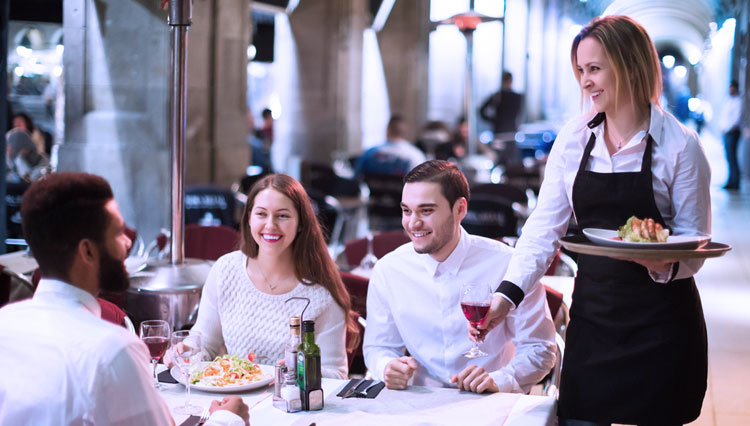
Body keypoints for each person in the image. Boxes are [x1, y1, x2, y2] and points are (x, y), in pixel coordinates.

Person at [473, 16, 711, 426]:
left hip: (662, 323)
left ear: (631, 65)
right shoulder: (574, 138)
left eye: (595, 68)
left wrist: (662, 262)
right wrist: (506, 296)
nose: (585, 81)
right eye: (581, 71)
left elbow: (696, 244)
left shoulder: (680, 146)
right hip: (594, 317)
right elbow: (543, 228)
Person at [0, 172, 249, 426]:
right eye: (118, 232)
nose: (128, 242)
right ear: (87, 251)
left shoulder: (4, 324)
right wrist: (227, 419)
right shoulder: (113, 350)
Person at [363, 160, 556, 393]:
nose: (413, 223)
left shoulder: (510, 265)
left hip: (491, 404)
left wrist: (499, 380)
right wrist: (386, 366)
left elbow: (539, 349)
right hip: (418, 404)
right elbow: (378, 347)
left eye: (426, 211)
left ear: (460, 209)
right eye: (406, 211)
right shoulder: (388, 270)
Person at [173, 174, 356, 378]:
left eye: (282, 216)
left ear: (301, 223)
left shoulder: (322, 292)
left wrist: (301, 371)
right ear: (249, 218)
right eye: (261, 214)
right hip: (235, 400)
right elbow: (204, 343)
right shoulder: (226, 269)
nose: (270, 225)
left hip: (292, 404)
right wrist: (186, 351)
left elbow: (336, 374)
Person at [355, 115, 426, 178]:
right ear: (404, 132)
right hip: (403, 192)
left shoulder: (369, 152)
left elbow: (357, 176)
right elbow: (420, 181)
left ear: (387, 130)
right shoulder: (415, 155)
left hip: (372, 192)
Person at [719, 80, 742, 190]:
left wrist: (727, 129)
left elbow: (736, 120)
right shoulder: (728, 100)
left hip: (733, 132)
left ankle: (735, 182)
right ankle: (730, 180)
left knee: (732, 157)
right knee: (728, 157)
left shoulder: (738, 101)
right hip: (726, 133)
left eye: (732, 88)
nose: (731, 90)